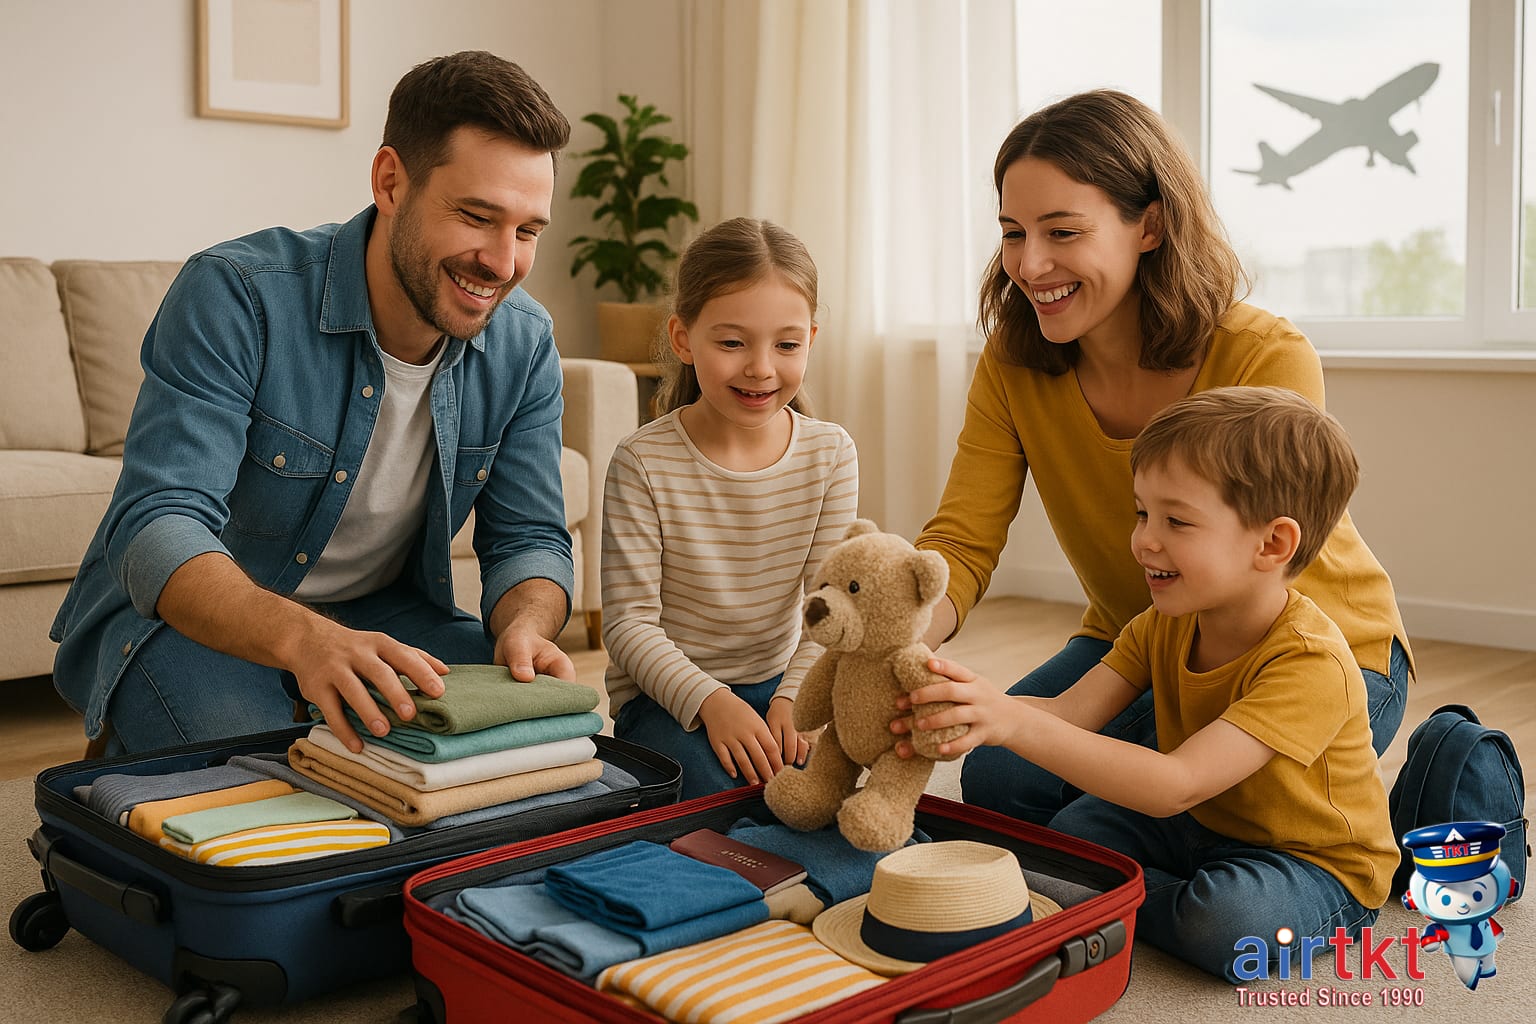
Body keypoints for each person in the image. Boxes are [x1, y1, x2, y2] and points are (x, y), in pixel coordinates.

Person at [51, 51, 579, 756]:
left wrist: (525, 625)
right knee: (274, 776)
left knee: (538, 746)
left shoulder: (525, 342)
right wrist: (306, 640)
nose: (502, 261)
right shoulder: (235, 294)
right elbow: (158, 522)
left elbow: (529, 540)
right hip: (189, 623)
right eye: (477, 217)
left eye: (527, 231)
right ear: (391, 181)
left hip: (386, 616)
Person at [913, 89, 1412, 824]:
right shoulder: (1014, 363)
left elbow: (1264, 564)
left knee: (1201, 800)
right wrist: (897, 642)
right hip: (1138, 648)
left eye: (1062, 231)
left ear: (1150, 226)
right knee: (1002, 776)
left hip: (1311, 655)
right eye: (1013, 233)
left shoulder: (1264, 354)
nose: (1031, 263)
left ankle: (1438, 783)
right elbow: (962, 539)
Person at [897, 386, 1399, 982]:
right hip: (1199, 823)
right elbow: (1070, 712)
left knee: (1225, 924)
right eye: (1142, 512)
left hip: (1308, 859)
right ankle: (1121, 889)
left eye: (1176, 521)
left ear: (1272, 544)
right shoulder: (1164, 622)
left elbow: (1174, 784)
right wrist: (966, 704)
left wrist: (1014, 723)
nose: (1144, 540)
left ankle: (1120, 895)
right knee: (1072, 836)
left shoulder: (1310, 662)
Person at [601, 217, 859, 800]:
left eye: (786, 344)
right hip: (666, 697)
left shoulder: (831, 452)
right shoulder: (642, 461)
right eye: (732, 342)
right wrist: (713, 703)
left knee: (825, 787)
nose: (761, 367)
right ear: (683, 338)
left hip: (779, 685)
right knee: (721, 792)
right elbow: (627, 626)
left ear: (811, 340)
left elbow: (827, 608)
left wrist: (795, 699)